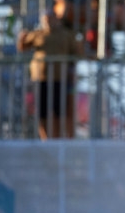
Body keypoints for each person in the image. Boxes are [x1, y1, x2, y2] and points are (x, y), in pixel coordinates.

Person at [17, 10, 81, 140]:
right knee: (42, 113)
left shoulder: (66, 35)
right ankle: (46, 141)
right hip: (40, 80)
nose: (48, 21)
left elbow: (77, 53)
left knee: (60, 112)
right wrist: (21, 37)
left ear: (56, 19)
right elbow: (22, 47)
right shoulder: (37, 34)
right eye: (45, 19)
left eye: (50, 18)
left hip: (60, 79)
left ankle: (58, 140)